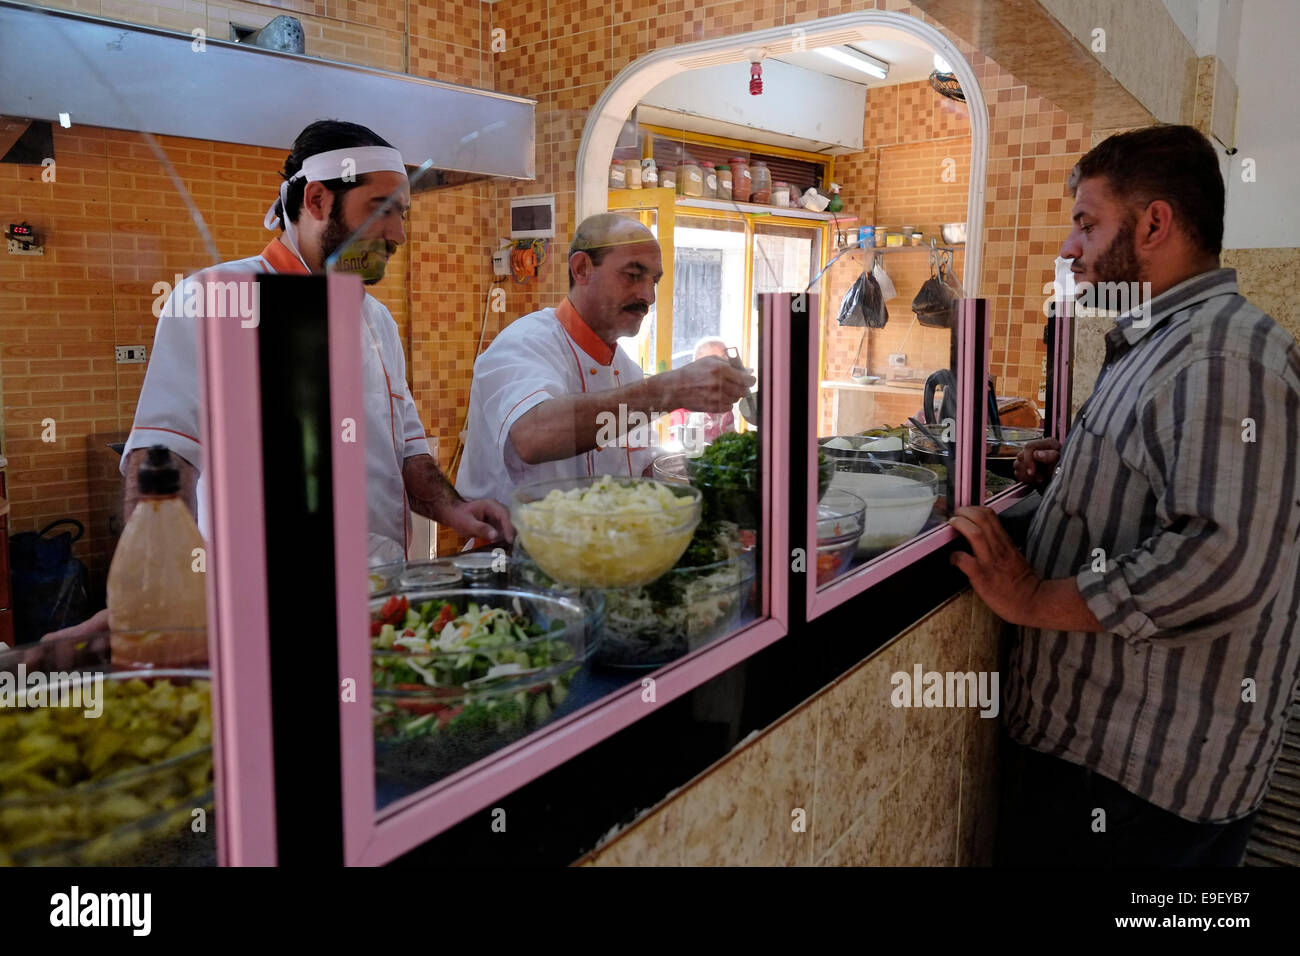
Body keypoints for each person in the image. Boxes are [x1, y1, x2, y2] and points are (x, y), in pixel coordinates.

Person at [948, 124, 1300, 866]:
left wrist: (1031, 598)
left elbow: (1221, 558)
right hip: (1102, 763)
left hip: (1142, 785)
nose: (1070, 247)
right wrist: (1077, 462)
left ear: (1154, 224)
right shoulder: (1164, 341)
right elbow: (1167, 483)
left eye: (1086, 222)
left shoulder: (1221, 355)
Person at [45, 121, 513, 640]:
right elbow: (162, 460)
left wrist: (459, 510)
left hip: (381, 610)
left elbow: (408, 452)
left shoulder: (376, 320)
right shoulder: (218, 298)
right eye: (382, 209)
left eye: (401, 214)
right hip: (257, 618)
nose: (398, 234)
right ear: (317, 200)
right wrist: (153, 594)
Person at [456, 214, 754, 511]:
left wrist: (721, 475)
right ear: (582, 269)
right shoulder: (524, 343)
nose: (648, 296)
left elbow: (639, 472)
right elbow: (533, 436)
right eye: (633, 275)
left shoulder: (628, 371)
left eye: (654, 281)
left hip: (602, 551)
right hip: (516, 553)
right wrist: (672, 388)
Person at [668, 337, 739, 447]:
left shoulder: (725, 403)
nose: (722, 369)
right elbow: (681, 446)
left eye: (725, 362)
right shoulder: (684, 403)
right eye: (715, 363)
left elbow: (731, 436)